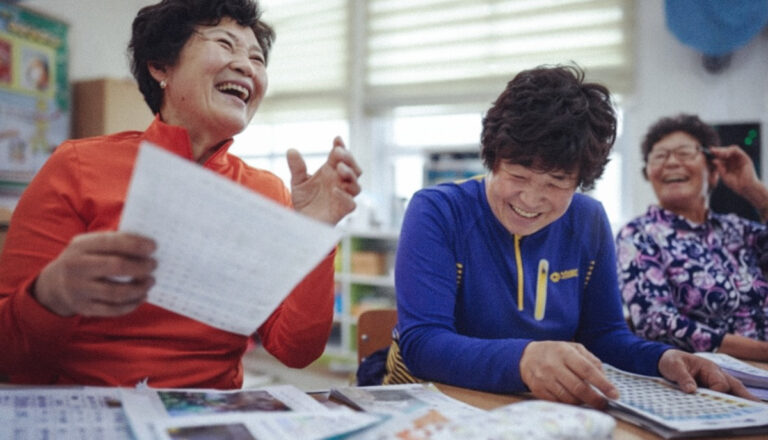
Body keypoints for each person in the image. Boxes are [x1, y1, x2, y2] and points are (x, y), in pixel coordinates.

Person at [0, 0, 361, 388]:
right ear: (161, 66)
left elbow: (295, 351)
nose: (247, 66)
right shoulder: (77, 166)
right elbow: (9, 356)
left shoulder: (266, 191)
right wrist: (51, 293)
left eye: (257, 58)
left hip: (210, 416)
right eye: (225, 44)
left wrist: (314, 233)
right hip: (89, 406)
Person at [381, 65, 751, 408]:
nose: (530, 200)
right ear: (492, 158)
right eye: (518, 175)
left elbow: (604, 335)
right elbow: (423, 343)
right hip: (432, 402)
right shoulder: (439, 211)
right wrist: (524, 359)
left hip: (531, 408)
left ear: (580, 182)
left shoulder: (588, 220)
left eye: (557, 183)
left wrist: (661, 358)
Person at [616, 114, 768, 361]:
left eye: (685, 153)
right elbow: (655, 323)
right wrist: (761, 353)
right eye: (660, 156)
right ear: (648, 173)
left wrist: (754, 191)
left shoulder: (737, 229)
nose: (672, 162)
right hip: (710, 377)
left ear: (713, 170)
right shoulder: (639, 235)